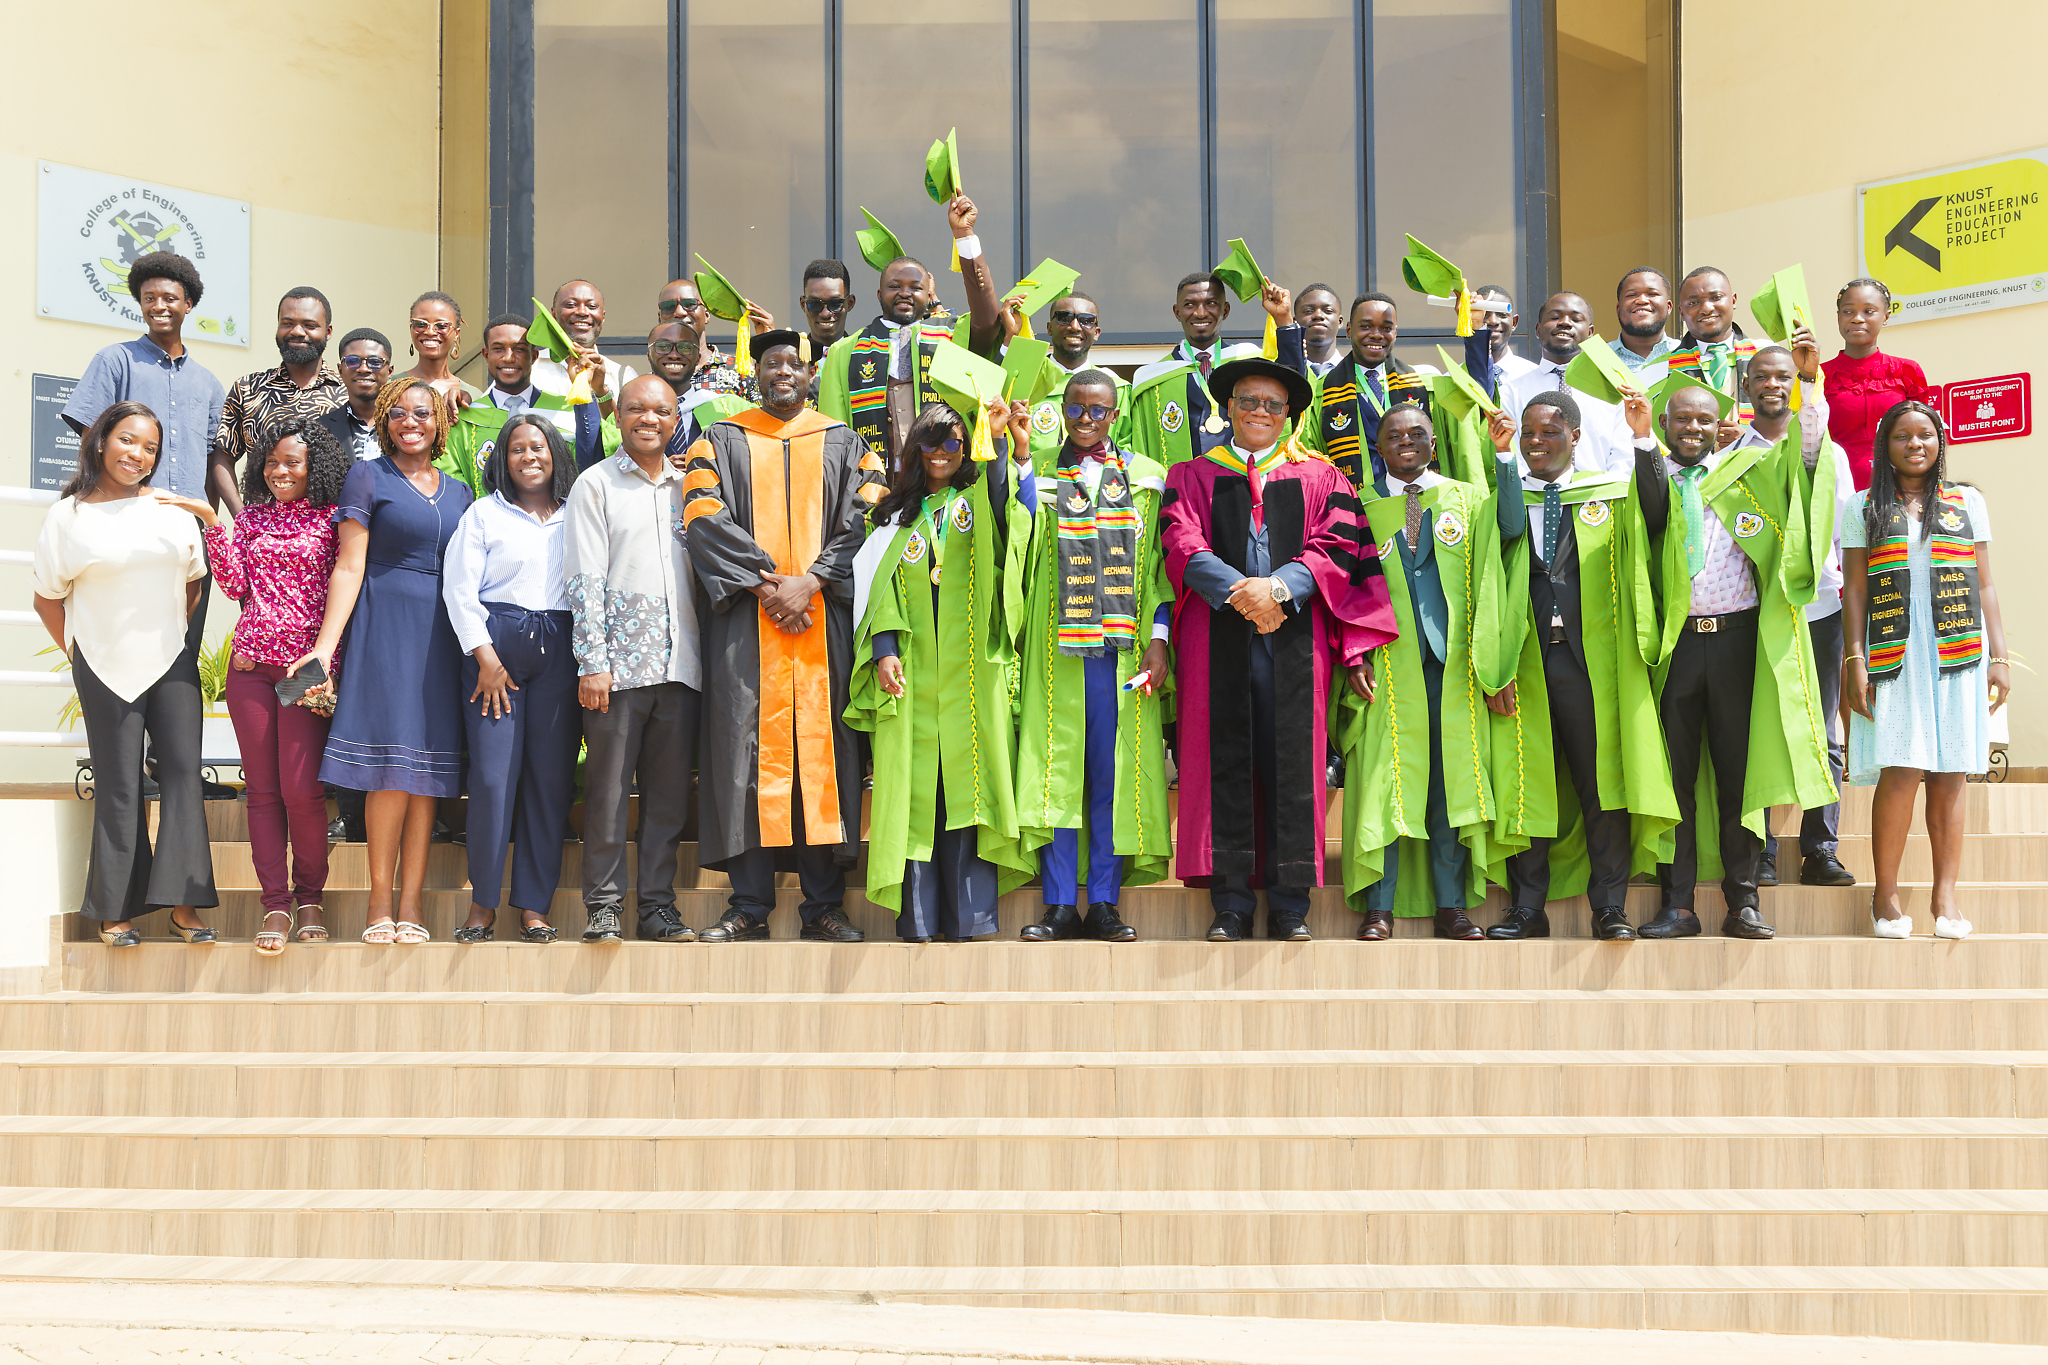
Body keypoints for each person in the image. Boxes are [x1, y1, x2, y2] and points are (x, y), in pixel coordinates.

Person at [1163, 357, 1397, 942]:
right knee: (1223, 764)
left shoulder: (1321, 477)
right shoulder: (1190, 474)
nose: (1260, 412)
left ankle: (1291, 905)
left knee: (1294, 766)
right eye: (1248, 401)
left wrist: (1279, 588)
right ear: (1229, 408)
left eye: (1272, 404)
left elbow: (1338, 543)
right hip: (1217, 642)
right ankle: (1232, 906)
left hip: (1296, 644)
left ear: (1288, 413)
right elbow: (1180, 540)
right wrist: (1243, 592)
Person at [683, 332, 879, 943]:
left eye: (795, 363)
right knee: (745, 753)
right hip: (749, 621)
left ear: (811, 374)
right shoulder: (719, 439)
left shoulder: (846, 443)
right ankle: (748, 905)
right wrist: (769, 588)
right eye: (772, 363)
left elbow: (867, 519)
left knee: (823, 755)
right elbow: (702, 516)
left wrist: (812, 582)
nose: (784, 372)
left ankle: (822, 906)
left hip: (822, 621)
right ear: (757, 373)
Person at [1640, 366, 1836, 941]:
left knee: (1738, 776)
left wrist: (1809, 386)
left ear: (1722, 424)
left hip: (1737, 643)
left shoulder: (1747, 473)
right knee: (1674, 778)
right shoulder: (1648, 479)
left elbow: (1806, 463)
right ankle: (1677, 905)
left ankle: (1743, 900)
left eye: (1704, 419)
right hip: (1675, 646)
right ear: (1665, 424)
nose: (1693, 428)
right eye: (1682, 418)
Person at [1486, 391, 1678, 941]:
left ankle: (1609, 906)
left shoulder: (1607, 493)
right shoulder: (1508, 496)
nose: (1536, 442)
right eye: (1528, 433)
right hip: (1527, 660)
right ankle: (1528, 908)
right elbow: (1495, 562)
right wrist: (1502, 458)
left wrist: (1643, 438)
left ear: (1574, 436)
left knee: (1600, 784)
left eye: (1548, 432)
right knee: (1528, 780)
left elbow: (1658, 515)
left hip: (1589, 662)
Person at [1338, 397, 1526, 941]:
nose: (1406, 442)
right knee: (1385, 782)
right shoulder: (1360, 505)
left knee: (1451, 785)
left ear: (1433, 443)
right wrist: (1354, 653)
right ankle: (1380, 907)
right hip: (1387, 666)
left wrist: (1504, 456)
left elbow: (1511, 528)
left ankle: (1451, 906)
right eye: (1394, 436)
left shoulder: (1465, 498)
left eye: (1416, 434)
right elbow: (1343, 587)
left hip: (1455, 666)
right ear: (1377, 447)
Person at [849, 395, 1036, 940]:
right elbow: (877, 589)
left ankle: (968, 918)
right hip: (910, 674)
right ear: (914, 450)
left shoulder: (979, 501)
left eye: (953, 441)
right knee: (917, 790)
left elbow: (1010, 508)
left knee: (967, 789)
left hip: (972, 673)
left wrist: (996, 439)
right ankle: (920, 920)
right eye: (930, 442)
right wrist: (884, 649)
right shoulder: (890, 518)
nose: (941, 452)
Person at [31, 402, 216, 946]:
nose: (138, 454)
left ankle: (184, 904)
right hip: (101, 663)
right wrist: (79, 653)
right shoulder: (67, 517)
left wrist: (171, 636)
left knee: (184, 776)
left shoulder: (171, 511)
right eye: (128, 440)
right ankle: (116, 911)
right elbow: (46, 600)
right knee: (118, 784)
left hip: (171, 661)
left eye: (150, 448)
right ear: (101, 441)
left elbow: (194, 583)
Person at [297, 379, 475, 944]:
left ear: (439, 420)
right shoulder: (368, 476)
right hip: (386, 628)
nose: (409, 421)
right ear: (384, 422)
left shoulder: (461, 491)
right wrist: (325, 646)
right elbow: (349, 566)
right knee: (389, 772)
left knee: (425, 775)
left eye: (421, 412)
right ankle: (379, 904)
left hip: (444, 635)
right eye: (397, 413)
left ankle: (412, 903)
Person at [1012, 372, 1174, 941]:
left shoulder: (1146, 479)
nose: (1086, 419)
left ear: (1115, 414)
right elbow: (1019, 536)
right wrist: (1022, 455)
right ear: (1063, 410)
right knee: (1058, 772)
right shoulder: (1036, 472)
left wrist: (1159, 639)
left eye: (1098, 410)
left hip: (1122, 653)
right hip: (1055, 651)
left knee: (1111, 776)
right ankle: (1059, 904)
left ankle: (1104, 901)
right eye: (1076, 408)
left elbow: (1157, 567)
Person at [1842, 401, 2008, 940]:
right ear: (1885, 446)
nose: (1915, 444)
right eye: (1902, 436)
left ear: (1939, 442)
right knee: (1902, 769)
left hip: (1957, 646)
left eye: (1925, 435)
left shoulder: (1967, 502)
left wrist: (2000, 656)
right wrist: (1854, 659)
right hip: (1894, 649)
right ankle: (1885, 896)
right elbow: (1856, 591)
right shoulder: (1863, 506)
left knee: (1951, 772)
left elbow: (1985, 583)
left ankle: (1946, 896)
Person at [565, 375, 703, 945]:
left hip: (683, 667)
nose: (649, 419)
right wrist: (592, 662)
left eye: (661, 411)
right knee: (607, 794)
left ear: (676, 420)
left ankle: (657, 908)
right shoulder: (595, 483)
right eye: (636, 409)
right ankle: (602, 906)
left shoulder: (692, 487)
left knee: (668, 799)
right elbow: (583, 577)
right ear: (617, 416)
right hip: (617, 671)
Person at [204, 416, 351, 951]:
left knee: (300, 790)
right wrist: (214, 524)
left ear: (316, 466)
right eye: (271, 462)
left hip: (303, 671)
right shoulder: (252, 518)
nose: (280, 471)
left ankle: (310, 897)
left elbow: (346, 589)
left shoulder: (333, 519)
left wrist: (329, 663)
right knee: (262, 792)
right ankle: (276, 905)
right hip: (250, 670)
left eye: (292, 462)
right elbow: (233, 586)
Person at [443, 414, 582, 944]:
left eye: (538, 447)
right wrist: (485, 657)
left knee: (549, 781)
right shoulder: (483, 513)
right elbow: (459, 590)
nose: (529, 457)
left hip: (560, 653)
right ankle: (483, 903)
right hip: (493, 656)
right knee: (492, 780)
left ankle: (533, 906)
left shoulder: (576, 513)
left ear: (555, 455)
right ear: (503, 458)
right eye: (517, 448)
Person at [1744, 342, 1859, 890]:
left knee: (1823, 728)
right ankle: (1759, 851)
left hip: (1820, 608)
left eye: (1782, 376)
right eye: (1761, 376)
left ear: (1796, 386)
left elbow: (1844, 533)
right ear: (1746, 387)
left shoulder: (1828, 454)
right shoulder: (1731, 456)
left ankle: (1821, 848)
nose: (1772, 384)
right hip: (1754, 611)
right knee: (1759, 729)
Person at [817, 192, 1004, 472]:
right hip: (874, 484)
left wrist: (964, 236)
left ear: (929, 295)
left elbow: (988, 319)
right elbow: (833, 433)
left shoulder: (951, 337)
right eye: (895, 286)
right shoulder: (845, 352)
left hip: (940, 480)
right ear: (879, 294)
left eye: (915, 288)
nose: (904, 293)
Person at [62, 253, 224, 511]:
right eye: (149, 298)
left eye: (169, 299)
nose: (158, 306)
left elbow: (212, 462)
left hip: (186, 520)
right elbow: (91, 441)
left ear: (188, 304)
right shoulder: (114, 361)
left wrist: (207, 523)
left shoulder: (209, 385)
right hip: (125, 511)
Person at [1125, 274, 1303, 470]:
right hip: (1184, 487)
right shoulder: (1152, 379)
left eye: (1211, 303)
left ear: (1225, 310)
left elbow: (1295, 388)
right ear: (1177, 312)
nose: (1200, 313)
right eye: (1189, 305)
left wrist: (1283, 320)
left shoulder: (1249, 362)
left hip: (1245, 481)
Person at [207, 286, 346, 515]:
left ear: (328, 331)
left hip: (331, 530)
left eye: (309, 325)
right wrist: (242, 516)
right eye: (287, 323)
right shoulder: (248, 389)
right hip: (263, 531)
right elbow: (222, 459)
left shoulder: (347, 393)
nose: (297, 331)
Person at [438, 313, 609, 493]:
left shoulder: (565, 410)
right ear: (486, 355)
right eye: (498, 349)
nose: (508, 358)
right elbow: (452, 485)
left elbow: (590, 464)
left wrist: (584, 387)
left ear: (534, 356)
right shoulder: (464, 418)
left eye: (519, 349)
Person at [1500, 292, 1634, 474]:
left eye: (1576, 319)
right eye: (1555, 317)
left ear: (1590, 333)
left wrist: (1607, 488)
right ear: (1538, 330)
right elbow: (1512, 452)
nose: (1565, 322)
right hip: (1531, 490)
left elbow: (1624, 455)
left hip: (1600, 490)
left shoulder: (1615, 388)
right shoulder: (1511, 391)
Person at [999, 286, 1129, 473]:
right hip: (1033, 484)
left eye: (1086, 320)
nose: (1074, 326)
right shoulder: (1024, 381)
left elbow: (1126, 452)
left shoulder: (1118, 389)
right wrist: (1010, 338)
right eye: (1064, 317)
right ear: (1049, 328)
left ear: (1097, 332)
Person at [1823, 278, 1936, 491]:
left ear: (1886, 316)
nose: (1857, 319)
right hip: (1835, 490)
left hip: (1898, 490)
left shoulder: (1907, 371)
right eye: (1848, 311)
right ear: (1838, 317)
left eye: (1869, 311)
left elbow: (1923, 436)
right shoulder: (1819, 376)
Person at [1298, 292, 1423, 485]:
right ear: (1348, 330)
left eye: (1386, 328)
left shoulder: (1419, 385)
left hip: (1411, 494)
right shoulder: (1323, 390)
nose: (1376, 335)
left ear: (1395, 333)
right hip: (1350, 497)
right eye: (1365, 326)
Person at [629, 317, 748, 451]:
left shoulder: (733, 408)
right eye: (663, 347)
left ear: (698, 358)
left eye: (685, 347)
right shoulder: (629, 409)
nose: (674, 355)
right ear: (649, 356)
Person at [1667, 267, 1760, 436]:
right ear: (1681, 312)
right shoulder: (1665, 365)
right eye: (1693, 303)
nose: (1707, 308)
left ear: (1733, 300)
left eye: (1716, 297)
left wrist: (1748, 440)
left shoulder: (1764, 357)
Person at [532, 279, 638, 416]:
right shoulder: (530, 368)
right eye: (571, 305)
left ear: (603, 317)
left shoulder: (622, 376)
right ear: (553, 314)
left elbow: (625, 427)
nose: (582, 312)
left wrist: (601, 391)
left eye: (592, 306)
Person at [656, 276, 768, 402]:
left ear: (707, 315)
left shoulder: (740, 372)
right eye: (668, 306)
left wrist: (771, 347)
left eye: (690, 304)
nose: (679, 312)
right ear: (660, 318)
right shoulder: (653, 381)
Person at [399, 290, 483, 414]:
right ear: (411, 328)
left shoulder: (475, 396)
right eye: (420, 324)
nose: (430, 332)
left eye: (441, 326)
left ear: (456, 333)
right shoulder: (390, 387)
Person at [319, 328, 394, 461]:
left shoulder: (406, 424)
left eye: (375, 362)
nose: (363, 369)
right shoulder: (321, 429)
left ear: (390, 372)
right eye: (352, 361)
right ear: (340, 370)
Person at [1612, 268, 1678, 382]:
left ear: (1669, 307)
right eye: (1631, 295)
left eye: (1652, 294)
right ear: (1618, 309)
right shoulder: (1596, 359)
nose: (1642, 300)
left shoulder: (1689, 355)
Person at [798, 258, 855, 385]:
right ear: (803, 305)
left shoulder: (864, 355)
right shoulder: (793, 361)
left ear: (850, 303)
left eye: (835, 303)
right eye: (814, 304)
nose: (825, 314)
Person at [1471, 284, 1537, 389]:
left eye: (1502, 315)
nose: (1493, 321)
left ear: (1514, 322)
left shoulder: (1533, 376)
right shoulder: (1454, 379)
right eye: (1484, 314)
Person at [1296, 283, 1347, 378]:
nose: (1318, 315)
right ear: (1295, 322)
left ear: (1340, 322)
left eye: (1328, 311)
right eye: (1308, 311)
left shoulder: (1355, 373)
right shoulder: (1282, 373)